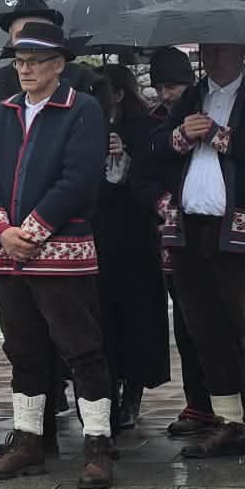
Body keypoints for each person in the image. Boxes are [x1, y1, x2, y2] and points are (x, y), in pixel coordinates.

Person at [0, 27, 116, 489]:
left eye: (35, 60)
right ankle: (28, 437)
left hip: (61, 251)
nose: (26, 69)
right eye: (19, 61)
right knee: (22, 348)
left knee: (82, 347)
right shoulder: (5, 112)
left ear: (59, 64)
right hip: (9, 255)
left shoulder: (81, 109)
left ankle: (98, 444)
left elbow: (79, 178)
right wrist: (1, 230)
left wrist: (30, 232)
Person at [152, 39, 245, 462]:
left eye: (220, 50)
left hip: (242, 231)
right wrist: (180, 136)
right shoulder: (190, 97)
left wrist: (222, 136)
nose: (212, 58)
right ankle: (228, 421)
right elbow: (153, 150)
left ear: (239, 52)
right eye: (206, 51)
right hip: (189, 230)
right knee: (205, 329)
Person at [93, 64, 170, 432]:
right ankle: (106, 391)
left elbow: (149, 176)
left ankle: (133, 391)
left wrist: (125, 157)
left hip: (134, 238)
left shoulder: (143, 128)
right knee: (102, 320)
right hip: (98, 235)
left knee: (135, 318)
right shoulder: (87, 125)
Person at [147, 47, 210, 439]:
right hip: (173, 234)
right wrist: (162, 203)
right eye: (159, 87)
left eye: (172, 85)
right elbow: (144, 173)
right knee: (186, 324)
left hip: (215, 230)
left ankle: (237, 407)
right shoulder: (156, 123)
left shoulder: (211, 112)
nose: (165, 94)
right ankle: (197, 403)